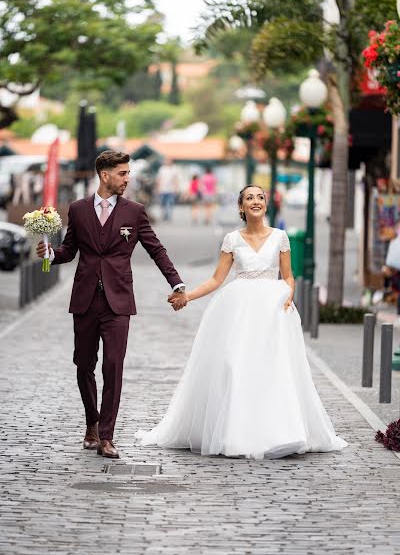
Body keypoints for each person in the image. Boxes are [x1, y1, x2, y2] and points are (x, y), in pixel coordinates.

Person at [136, 185, 347, 459]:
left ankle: (283, 432)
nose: (256, 201)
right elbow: (216, 279)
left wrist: (290, 293)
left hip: (272, 309)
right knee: (236, 365)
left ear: (266, 205)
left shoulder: (280, 237)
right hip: (239, 310)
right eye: (250, 198)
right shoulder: (232, 240)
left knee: (274, 368)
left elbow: (289, 276)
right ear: (241, 207)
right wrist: (187, 296)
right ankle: (235, 432)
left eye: (260, 197)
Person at [36, 150, 187, 459]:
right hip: (85, 299)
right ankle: (91, 421)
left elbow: (156, 249)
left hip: (119, 301)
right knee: (83, 365)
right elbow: (69, 249)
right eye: (122, 173)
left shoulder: (135, 211)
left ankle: (106, 436)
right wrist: (50, 255)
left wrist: (177, 282)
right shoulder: (78, 210)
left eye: (128, 173)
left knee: (113, 367)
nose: (127, 178)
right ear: (105, 176)